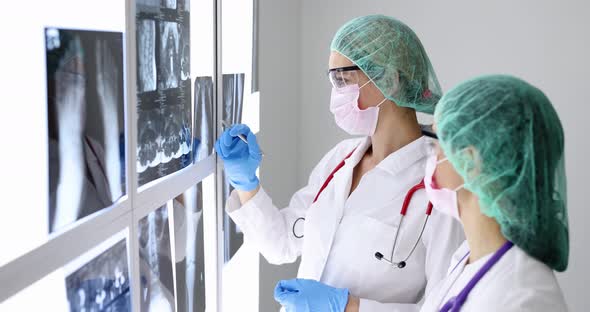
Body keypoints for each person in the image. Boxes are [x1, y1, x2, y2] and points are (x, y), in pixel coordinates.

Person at [216, 15, 464, 311]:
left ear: (390, 80)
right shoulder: (340, 159)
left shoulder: (440, 184)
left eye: (343, 79)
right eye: (332, 79)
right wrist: (246, 182)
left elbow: (447, 306)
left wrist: (350, 307)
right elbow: (281, 243)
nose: (336, 94)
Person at [418, 75, 569, 311]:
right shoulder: (471, 255)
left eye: (437, 143)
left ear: (470, 161)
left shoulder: (522, 299)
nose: (431, 156)